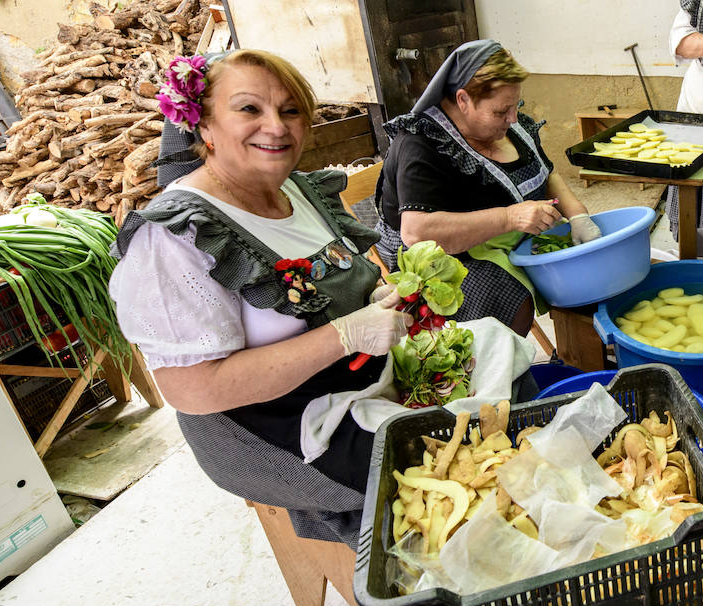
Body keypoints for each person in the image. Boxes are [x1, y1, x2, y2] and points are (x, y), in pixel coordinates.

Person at [109, 49, 413, 545]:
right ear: (203, 125)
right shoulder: (176, 237)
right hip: (274, 430)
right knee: (439, 460)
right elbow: (193, 391)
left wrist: (373, 297)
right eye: (249, 109)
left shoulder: (298, 191)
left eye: (291, 110)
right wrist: (344, 334)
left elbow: (329, 286)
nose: (276, 126)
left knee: (499, 377)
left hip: (362, 383)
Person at [375, 40, 599, 337]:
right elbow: (417, 233)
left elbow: (546, 172)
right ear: (463, 99)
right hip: (436, 256)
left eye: (515, 106)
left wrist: (578, 214)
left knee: (580, 267)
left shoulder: (510, 125)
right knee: (506, 295)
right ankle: (493, 371)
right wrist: (509, 218)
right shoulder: (422, 144)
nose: (513, 118)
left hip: (496, 235)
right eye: (500, 111)